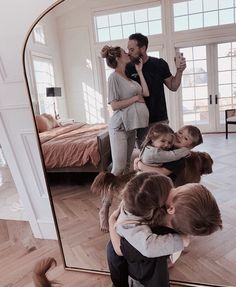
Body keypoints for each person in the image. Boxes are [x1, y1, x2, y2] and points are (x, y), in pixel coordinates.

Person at [107, 173, 222, 287]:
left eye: (177, 190)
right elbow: (119, 249)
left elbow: (120, 249)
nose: (171, 189)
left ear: (171, 208)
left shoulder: (152, 236)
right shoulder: (176, 226)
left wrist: (112, 220)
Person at [126, 33, 186, 148]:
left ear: (142, 48)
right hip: (140, 121)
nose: (129, 52)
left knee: (163, 153)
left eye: (132, 49)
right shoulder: (128, 68)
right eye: (128, 49)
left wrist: (179, 71)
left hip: (159, 119)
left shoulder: (159, 64)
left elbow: (173, 86)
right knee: (144, 155)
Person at [101, 45, 149, 176]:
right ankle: (107, 196)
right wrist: (134, 98)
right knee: (119, 167)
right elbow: (114, 105)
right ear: (118, 58)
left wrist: (140, 71)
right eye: (124, 52)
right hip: (120, 127)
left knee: (127, 165)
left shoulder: (128, 77)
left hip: (131, 126)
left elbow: (145, 93)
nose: (127, 53)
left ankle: (123, 195)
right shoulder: (113, 78)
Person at [135, 124, 203, 183]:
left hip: (166, 184)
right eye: (180, 132)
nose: (180, 136)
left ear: (189, 147)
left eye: (185, 138)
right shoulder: (167, 146)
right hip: (151, 176)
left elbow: (161, 173)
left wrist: (140, 165)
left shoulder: (179, 158)